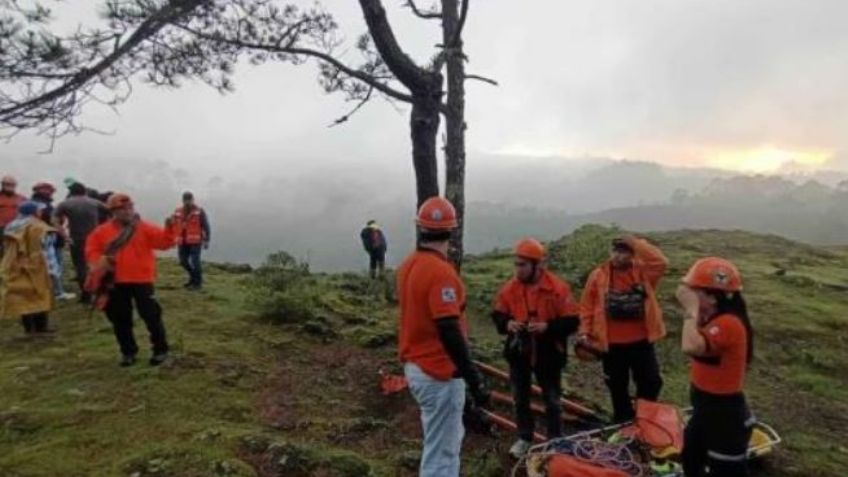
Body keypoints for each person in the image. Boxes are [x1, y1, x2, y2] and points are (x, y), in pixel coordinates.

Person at [397, 196, 489, 477]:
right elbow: (448, 327)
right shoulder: (441, 273)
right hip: (438, 373)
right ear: (452, 230)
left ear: (420, 228)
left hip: (416, 366)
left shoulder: (408, 265)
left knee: (437, 443)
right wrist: (473, 377)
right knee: (444, 452)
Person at [491, 238, 580, 458]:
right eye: (516, 264)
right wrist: (508, 324)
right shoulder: (510, 288)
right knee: (520, 398)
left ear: (537, 265)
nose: (517, 270)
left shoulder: (557, 289)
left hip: (549, 352)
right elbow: (498, 313)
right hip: (519, 352)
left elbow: (572, 321)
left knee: (552, 401)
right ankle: (524, 438)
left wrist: (547, 327)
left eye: (522, 265)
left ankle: (556, 441)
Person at [676, 258, 755, 477]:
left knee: (726, 471)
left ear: (712, 297)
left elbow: (689, 345)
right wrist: (696, 309)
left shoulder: (729, 323)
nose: (689, 295)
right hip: (704, 408)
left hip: (725, 414)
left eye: (695, 291)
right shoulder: (712, 318)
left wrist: (691, 309)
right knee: (691, 457)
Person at [578, 235, 669, 423]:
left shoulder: (644, 272)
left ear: (632, 254)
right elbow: (587, 306)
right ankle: (623, 423)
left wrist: (636, 243)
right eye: (615, 251)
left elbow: (660, 262)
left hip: (641, 341)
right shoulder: (598, 275)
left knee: (651, 382)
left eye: (624, 252)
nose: (618, 256)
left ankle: (645, 419)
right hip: (611, 345)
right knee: (616, 386)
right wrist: (584, 332)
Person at [85, 193, 176, 367]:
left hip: (142, 280)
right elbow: (91, 251)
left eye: (130, 208)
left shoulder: (144, 227)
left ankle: (160, 350)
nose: (128, 211)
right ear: (113, 211)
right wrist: (101, 262)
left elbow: (164, 243)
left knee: (152, 316)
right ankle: (128, 352)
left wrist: (170, 229)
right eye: (123, 209)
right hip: (115, 281)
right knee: (120, 319)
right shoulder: (101, 232)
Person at [1, 201, 56, 335]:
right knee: (40, 293)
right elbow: (44, 245)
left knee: (23, 295)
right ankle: (41, 327)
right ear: (34, 212)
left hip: (14, 263)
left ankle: (28, 328)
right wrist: (52, 267)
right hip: (35, 264)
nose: (41, 212)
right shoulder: (36, 226)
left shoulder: (12, 225)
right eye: (39, 210)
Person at [54, 182, 109, 303]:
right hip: (95, 238)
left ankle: (86, 295)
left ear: (71, 192)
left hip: (76, 239)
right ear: (84, 191)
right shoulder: (95, 202)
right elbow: (111, 211)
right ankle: (101, 291)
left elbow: (55, 220)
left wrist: (64, 235)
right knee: (97, 264)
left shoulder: (65, 203)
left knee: (80, 267)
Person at [32, 182, 74, 301]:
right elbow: (52, 221)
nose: (50, 192)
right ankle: (57, 292)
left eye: (50, 190)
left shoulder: (42, 203)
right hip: (49, 238)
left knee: (50, 266)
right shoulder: (42, 205)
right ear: (39, 190)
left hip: (48, 237)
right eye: (47, 190)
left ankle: (50, 291)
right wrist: (64, 235)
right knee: (54, 266)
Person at [172, 191, 211, 290]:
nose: (188, 202)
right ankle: (193, 278)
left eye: (190, 200)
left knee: (195, 261)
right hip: (182, 241)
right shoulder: (177, 211)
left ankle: (198, 284)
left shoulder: (199, 211)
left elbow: (206, 226)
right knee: (183, 261)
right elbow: (173, 225)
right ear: (183, 201)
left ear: (193, 200)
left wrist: (207, 240)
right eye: (186, 200)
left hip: (195, 241)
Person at [0, 176, 26, 255]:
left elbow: (29, 211)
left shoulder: (21, 198)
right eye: (7, 184)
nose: (10, 186)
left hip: (17, 229)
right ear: (2, 185)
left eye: (12, 185)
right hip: (1, 229)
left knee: (15, 253)